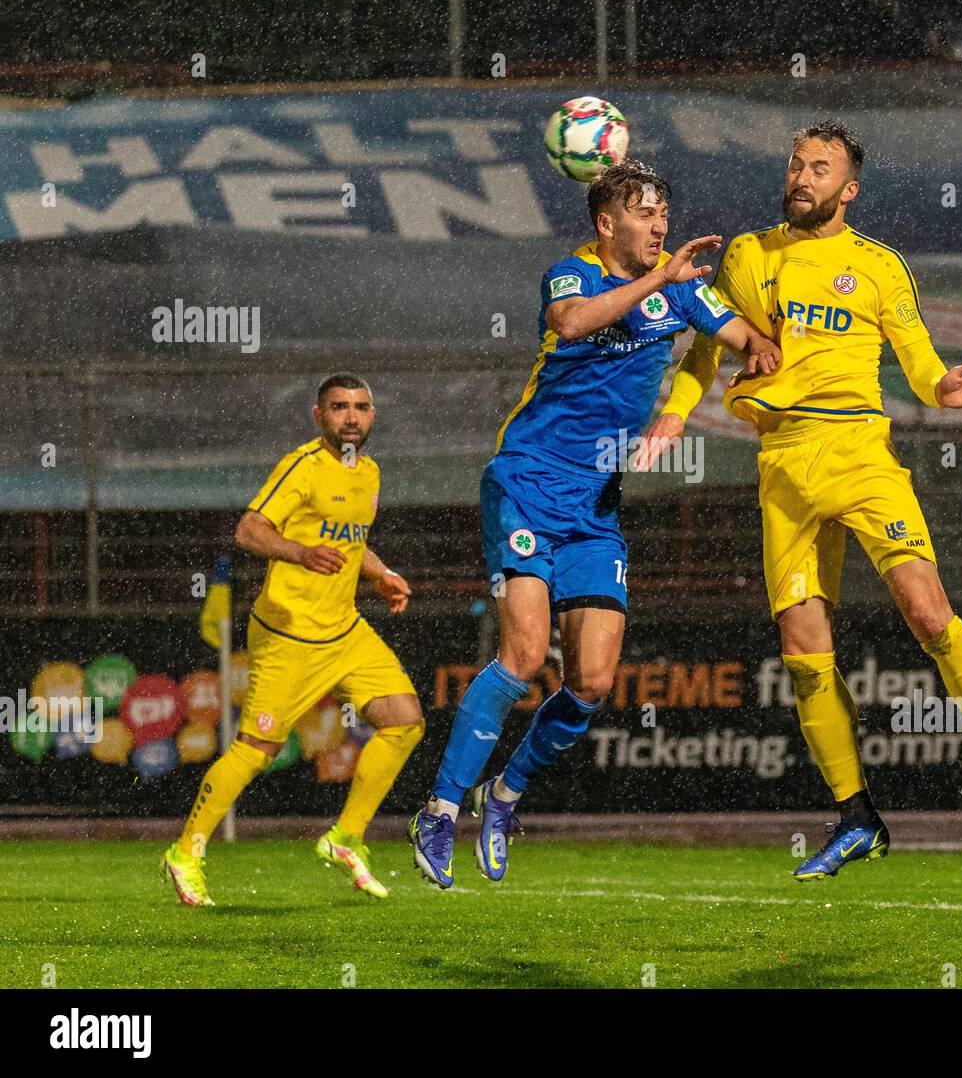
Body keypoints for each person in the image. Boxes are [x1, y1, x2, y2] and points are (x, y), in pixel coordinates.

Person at [640, 121, 962, 880]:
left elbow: (922, 364)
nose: (802, 176)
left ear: (848, 189)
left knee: (928, 613)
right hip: (783, 462)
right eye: (796, 163)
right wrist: (673, 409)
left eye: (820, 168)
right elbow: (704, 343)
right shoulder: (748, 254)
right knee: (802, 651)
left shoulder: (878, 267)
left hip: (860, 452)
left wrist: (945, 390)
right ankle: (856, 816)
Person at [408, 160, 780, 889]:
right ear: (608, 224)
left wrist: (748, 365)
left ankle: (504, 796)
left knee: (593, 681)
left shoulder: (682, 291)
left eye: (664, 213)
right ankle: (440, 810)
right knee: (520, 657)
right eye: (646, 214)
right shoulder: (573, 275)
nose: (661, 226)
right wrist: (660, 282)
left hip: (596, 505)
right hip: (526, 482)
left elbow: (750, 342)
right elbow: (572, 324)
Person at [162, 374, 423, 905]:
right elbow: (250, 529)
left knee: (404, 719)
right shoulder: (302, 466)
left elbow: (349, 541)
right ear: (318, 416)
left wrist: (379, 573)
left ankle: (347, 836)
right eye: (339, 407)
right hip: (289, 635)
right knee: (257, 749)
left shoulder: (369, 473)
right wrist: (297, 552)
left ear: (372, 416)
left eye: (362, 408)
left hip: (344, 629)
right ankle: (185, 853)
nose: (352, 417)